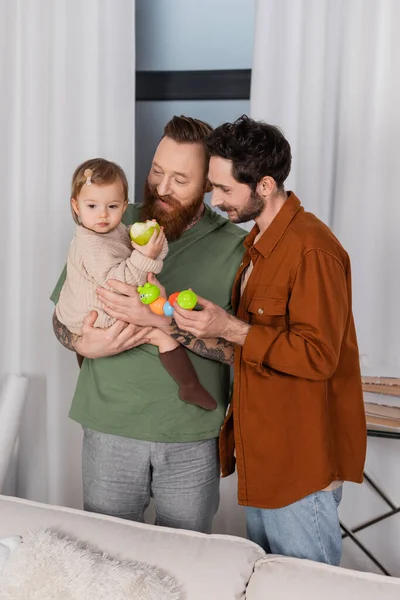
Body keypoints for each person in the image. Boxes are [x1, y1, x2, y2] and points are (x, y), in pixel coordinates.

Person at [112, 115, 366, 564]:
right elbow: (255, 347)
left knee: (305, 588)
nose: (215, 200)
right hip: (264, 454)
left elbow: (318, 356)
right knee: (271, 580)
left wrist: (228, 327)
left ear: (265, 186)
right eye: (212, 187)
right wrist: (192, 325)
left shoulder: (312, 249)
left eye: (226, 190)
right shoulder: (259, 245)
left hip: (299, 460)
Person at [51, 116, 247, 533]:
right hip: (110, 425)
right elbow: (62, 315)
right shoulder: (110, 221)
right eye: (157, 171)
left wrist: (163, 323)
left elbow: (242, 348)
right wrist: (85, 345)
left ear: (208, 183)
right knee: (109, 559)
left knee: (187, 559)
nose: (161, 187)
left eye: (180, 178)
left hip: (192, 436)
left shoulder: (235, 248)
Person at [56, 157, 216, 411]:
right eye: (92, 206)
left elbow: (136, 255)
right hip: (94, 314)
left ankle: (189, 386)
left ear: (124, 206)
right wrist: (145, 256)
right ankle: (189, 386)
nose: (102, 215)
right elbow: (119, 282)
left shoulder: (115, 230)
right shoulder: (90, 244)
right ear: (76, 206)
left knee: (157, 314)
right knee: (161, 333)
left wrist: (153, 243)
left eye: (112, 206)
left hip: (99, 307)